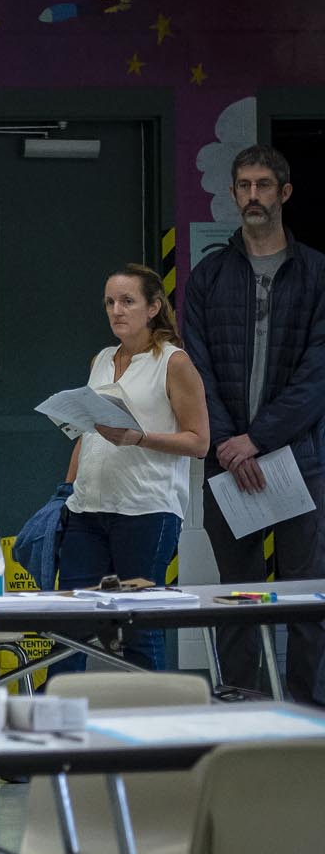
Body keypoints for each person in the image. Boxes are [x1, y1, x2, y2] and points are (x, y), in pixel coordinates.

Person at [179, 144, 325, 702]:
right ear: (234, 193)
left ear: (284, 193)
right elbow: (196, 369)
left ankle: (309, 712)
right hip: (227, 465)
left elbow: (317, 375)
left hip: (300, 462)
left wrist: (258, 440)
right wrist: (227, 445)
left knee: (306, 596)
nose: (254, 197)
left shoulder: (316, 274)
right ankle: (237, 702)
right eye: (244, 186)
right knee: (235, 596)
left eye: (265, 185)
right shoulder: (210, 275)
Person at [57, 264, 209, 670]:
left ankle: (154, 723)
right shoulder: (102, 359)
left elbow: (199, 441)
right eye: (109, 302)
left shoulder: (173, 362)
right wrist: (65, 492)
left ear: (154, 307)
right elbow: (87, 433)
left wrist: (140, 437)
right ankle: (54, 721)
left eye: (127, 301)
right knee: (67, 624)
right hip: (87, 509)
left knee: (140, 626)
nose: (116, 310)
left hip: (145, 510)